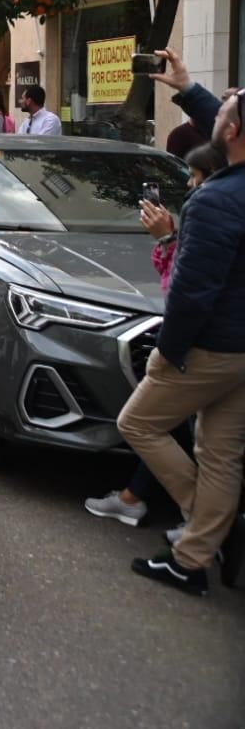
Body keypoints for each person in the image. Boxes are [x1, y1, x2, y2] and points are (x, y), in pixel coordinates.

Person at [115, 50, 245, 594]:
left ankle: (207, 531)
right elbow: (229, 123)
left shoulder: (215, 201)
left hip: (211, 347)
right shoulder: (229, 180)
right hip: (239, 350)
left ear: (231, 130)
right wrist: (189, 88)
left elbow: (193, 293)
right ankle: (196, 554)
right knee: (219, 453)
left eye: (222, 110)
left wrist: (169, 349)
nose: (216, 114)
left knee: (138, 423)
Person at [83, 143, 223, 528]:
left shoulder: (214, 210)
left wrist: (169, 350)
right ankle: (146, 501)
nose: (192, 189)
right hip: (211, 345)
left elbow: (186, 289)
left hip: (203, 346)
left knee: (145, 424)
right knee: (200, 440)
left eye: (196, 179)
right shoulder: (216, 208)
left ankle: (208, 522)